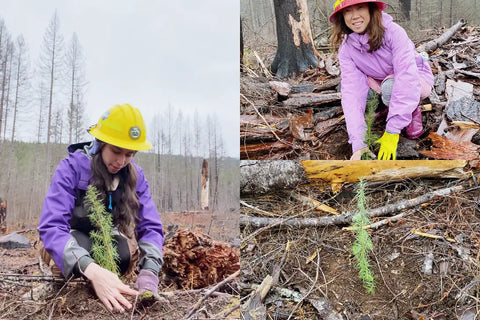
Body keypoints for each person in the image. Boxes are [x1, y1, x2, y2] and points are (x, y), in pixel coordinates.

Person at [38, 103, 164, 313]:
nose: (121, 161)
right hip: (68, 238)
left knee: (123, 256)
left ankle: (103, 276)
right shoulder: (71, 168)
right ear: (101, 143)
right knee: (79, 252)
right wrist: (93, 271)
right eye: (116, 151)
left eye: (130, 154)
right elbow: (51, 227)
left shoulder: (136, 176)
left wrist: (150, 271)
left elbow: (150, 226)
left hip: (104, 241)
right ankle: (75, 278)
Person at [329, 0, 434, 160]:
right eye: (348, 11)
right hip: (378, 81)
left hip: (414, 78)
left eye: (360, 7)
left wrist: (392, 131)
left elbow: (406, 78)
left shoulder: (394, 32)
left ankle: (412, 110)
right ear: (342, 17)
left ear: (371, 9)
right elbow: (352, 93)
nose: (355, 16)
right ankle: (387, 107)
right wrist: (359, 144)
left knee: (390, 88)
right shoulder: (347, 49)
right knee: (367, 99)